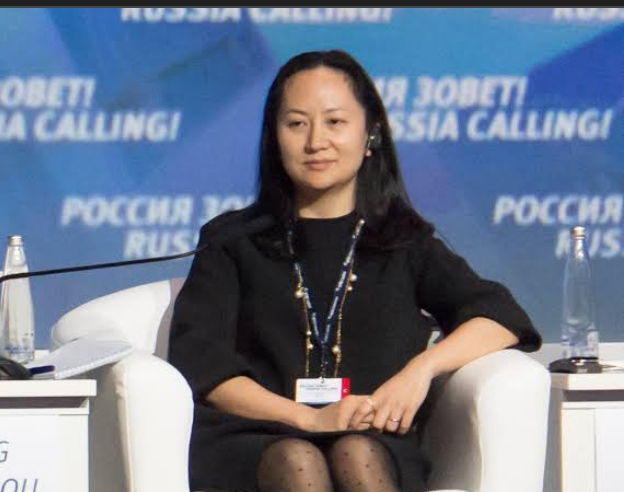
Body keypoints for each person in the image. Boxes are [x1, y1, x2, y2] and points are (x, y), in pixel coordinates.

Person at [168, 49, 542, 492]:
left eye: (335, 122)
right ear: (274, 137)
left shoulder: (404, 241)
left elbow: (500, 317)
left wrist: (421, 370)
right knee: (297, 457)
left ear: (371, 136)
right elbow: (203, 364)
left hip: (370, 436)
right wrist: (308, 418)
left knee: (356, 451)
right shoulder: (233, 239)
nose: (316, 141)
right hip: (255, 435)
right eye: (296, 124)